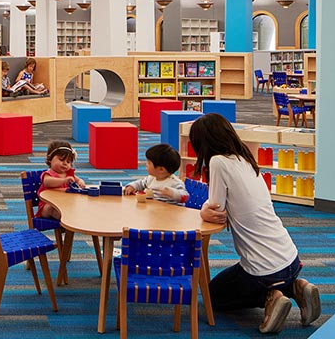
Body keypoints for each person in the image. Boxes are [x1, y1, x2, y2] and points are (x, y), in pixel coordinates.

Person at [189, 113, 320, 334]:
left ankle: (270, 296)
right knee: (245, 278)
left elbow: (216, 210)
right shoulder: (245, 159)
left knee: (212, 298)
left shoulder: (218, 162)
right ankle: (296, 287)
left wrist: (203, 209)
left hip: (263, 271)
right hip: (291, 259)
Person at [123, 143, 189, 204]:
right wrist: (132, 186)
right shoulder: (151, 178)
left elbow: (185, 197)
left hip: (169, 213)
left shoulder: (174, 182)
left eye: (149, 163)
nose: (146, 164)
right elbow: (141, 183)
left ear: (161, 169)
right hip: (154, 210)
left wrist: (173, 193)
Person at [36, 140, 86, 219]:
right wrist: (63, 181)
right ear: (50, 159)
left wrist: (81, 182)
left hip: (63, 203)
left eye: (68, 161)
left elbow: (78, 179)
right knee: (50, 208)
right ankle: (65, 219)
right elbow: (47, 182)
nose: (65, 163)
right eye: (61, 160)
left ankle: (68, 217)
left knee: (77, 204)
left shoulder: (68, 173)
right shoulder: (48, 174)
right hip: (48, 205)